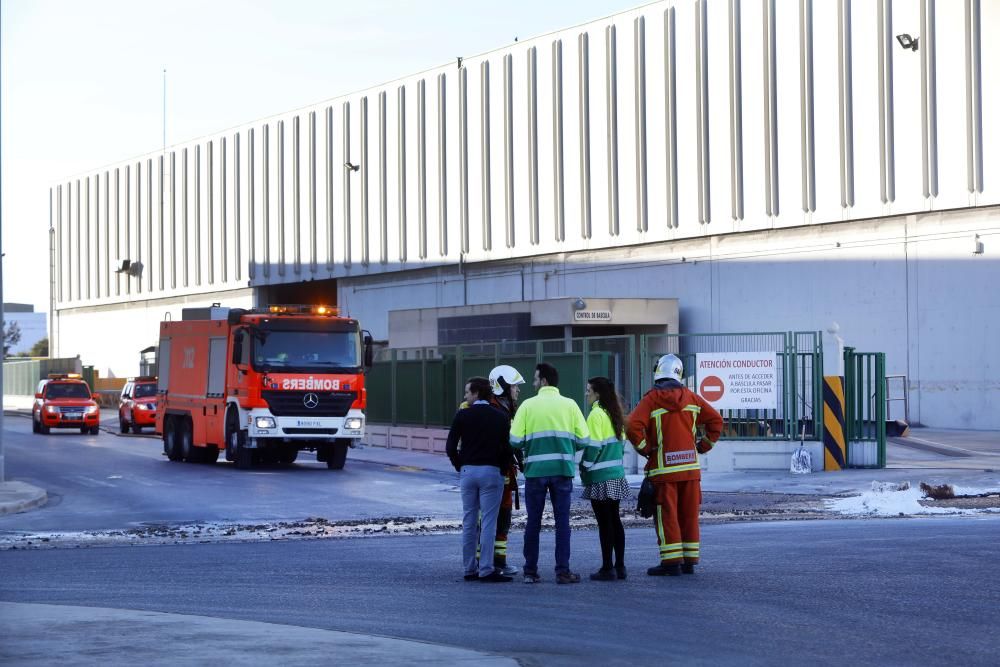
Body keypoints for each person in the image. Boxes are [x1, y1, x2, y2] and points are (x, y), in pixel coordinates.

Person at [626, 354, 723, 576]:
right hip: (689, 470)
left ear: (658, 371)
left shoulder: (651, 399)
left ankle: (671, 562)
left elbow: (632, 426)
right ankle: (689, 561)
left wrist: (646, 448)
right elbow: (716, 421)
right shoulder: (692, 398)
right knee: (688, 515)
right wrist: (703, 446)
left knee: (667, 515)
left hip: (663, 471)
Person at [510, 362, 589, 584]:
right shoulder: (570, 405)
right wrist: (567, 448)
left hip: (535, 472)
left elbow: (515, 440)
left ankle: (530, 572)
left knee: (533, 522)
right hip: (562, 471)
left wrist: (530, 445)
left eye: (535, 379)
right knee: (562, 522)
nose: (533, 383)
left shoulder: (527, 406)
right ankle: (562, 571)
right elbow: (584, 439)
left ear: (544, 380)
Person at [446, 376, 515, 583]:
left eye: (468, 392)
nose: (465, 396)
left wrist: (461, 465)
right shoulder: (501, 417)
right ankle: (486, 569)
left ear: (476, 393)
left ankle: (469, 569)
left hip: (468, 472)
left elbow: (450, 447)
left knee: (469, 521)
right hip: (491, 472)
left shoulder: (462, 415)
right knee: (489, 522)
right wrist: (502, 470)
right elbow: (506, 448)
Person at [580, 376, 631, 581]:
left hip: (600, 477)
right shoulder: (615, 414)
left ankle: (607, 567)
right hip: (616, 476)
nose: (586, 394)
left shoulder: (596, 415)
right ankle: (620, 566)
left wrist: (583, 467)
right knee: (615, 520)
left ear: (597, 394)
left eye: (588, 390)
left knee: (604, 524)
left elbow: (593, 447)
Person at [486, 364, 526, 576]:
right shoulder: (496, 411)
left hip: (506, 473)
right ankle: (491, 562)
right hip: (497, 473)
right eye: (514, 387)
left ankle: (498, 561)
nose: (518, 391)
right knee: (495, 517)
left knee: (503, 517)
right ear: (502, 387)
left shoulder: (505, 409)